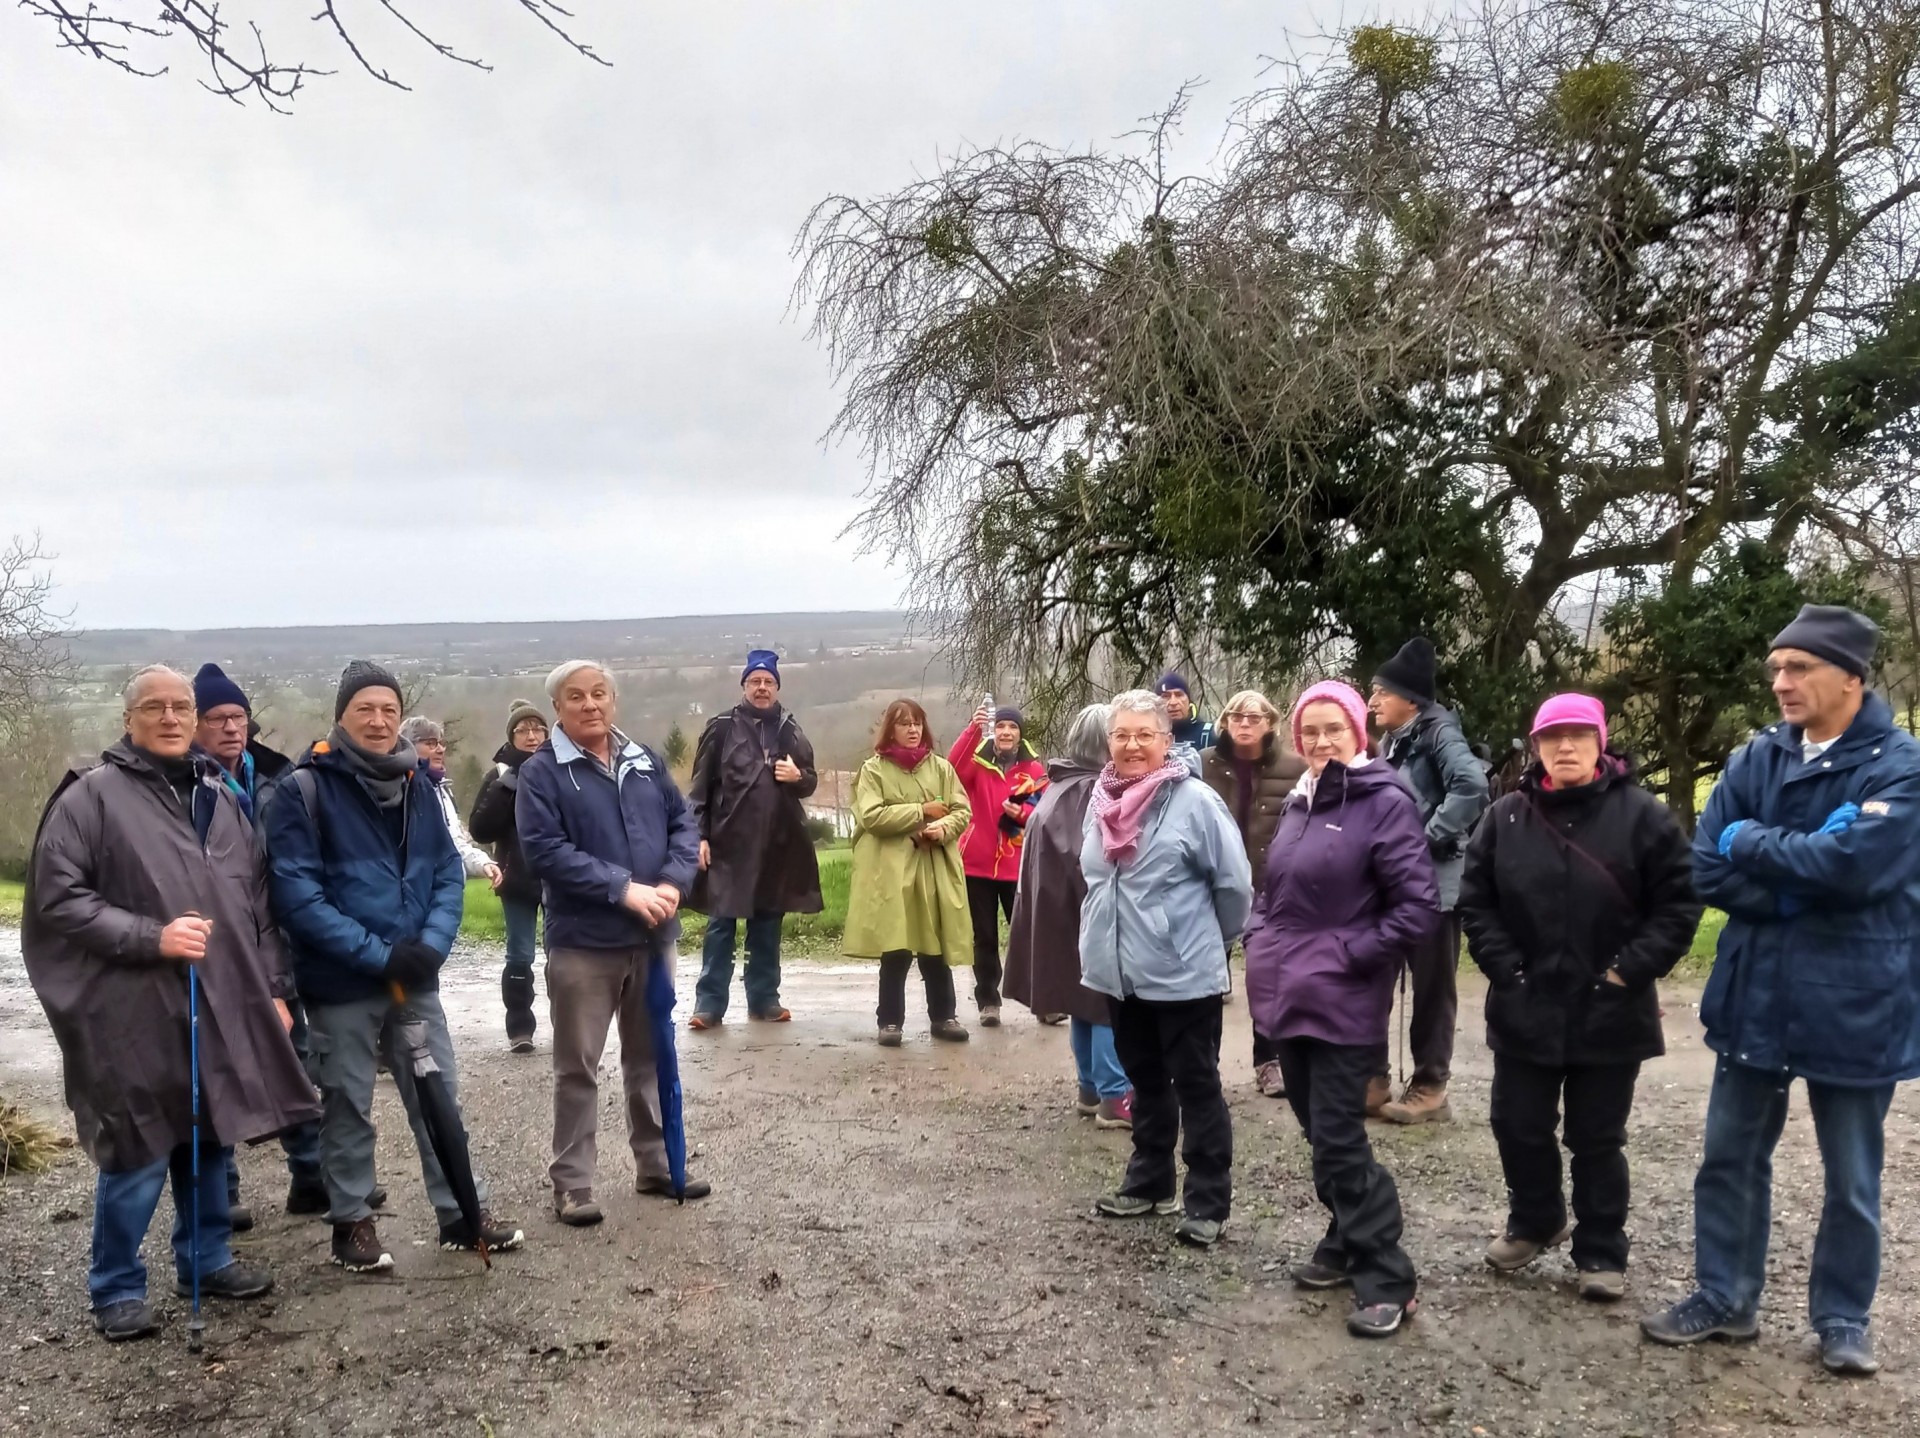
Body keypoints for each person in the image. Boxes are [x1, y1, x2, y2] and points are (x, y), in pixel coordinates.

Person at [1643, 606, 1920, 1378]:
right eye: (1776, 668)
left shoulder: (1901, 765)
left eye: (1798, 668)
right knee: (1728, 1158)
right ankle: (1724, 1298)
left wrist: (1754, 843)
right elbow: (1707, 865)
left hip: (1858, 995)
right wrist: (1799, 874)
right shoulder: (1757, 757)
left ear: (1850, 677)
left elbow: (1860, 868)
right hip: (1755, 991)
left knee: (1853, 1174)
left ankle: (1843, 1319)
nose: (1781, 682)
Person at [24, 665, 320, 1342]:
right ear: (128, 719)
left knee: (211, 1131)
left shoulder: (222, 795)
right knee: (138, 1143)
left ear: (194, 717)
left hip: (219, 998)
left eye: (179, 707)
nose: (168, 717)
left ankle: (207, 1259)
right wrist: (150, 937)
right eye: (153, 707)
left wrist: (274, 990)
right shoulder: (91, 797)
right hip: (130, 1003)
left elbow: (259, 908)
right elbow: (58, 898)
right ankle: (116, 1288)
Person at [265, 660, 523, 1272]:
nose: (379, 721)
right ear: (342, 716)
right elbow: (298, 896)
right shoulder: (303, 792)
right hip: (342, 983)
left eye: (389, 709)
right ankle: (351, 1223)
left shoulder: (420, 787)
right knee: (348, 1103)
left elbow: (445, 875)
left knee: (438, 1097)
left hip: (416, 977)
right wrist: (382, 956)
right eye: (365, 709)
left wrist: (430, 948)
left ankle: (462, 1213)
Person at [1459, 694, 1700, 1304]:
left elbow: (1677, 904)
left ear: (1601, 740)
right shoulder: (1505, 816)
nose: (1565, 747)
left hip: (1609, 1005)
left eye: (1578, 735)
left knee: (1597, 1136)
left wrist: (1628, 971)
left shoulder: (1642, 816)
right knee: (1517, 1123)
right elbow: (1477, 900)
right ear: (1535, 746)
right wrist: (1507, 969)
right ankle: (1536, 1219)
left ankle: (1600, 1248)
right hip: (1526, 999)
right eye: (1552, 736)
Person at [1245, 681, 1438, 1337]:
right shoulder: (1302, 803)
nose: (1322, 741)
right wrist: (1258, 933)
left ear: (1360, 733)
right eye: (1311, 731)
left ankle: (1387, 1274)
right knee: (1316, 1128)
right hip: (1288, 990)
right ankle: (1342, 1239)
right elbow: (1276, 891)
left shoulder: (1383, 803)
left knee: (1337, 1137)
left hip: (1343, 1000)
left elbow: (1415, 907)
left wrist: (1349, 955)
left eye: (1335, 728)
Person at [516, 660, 707, 1227]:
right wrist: (623, 890)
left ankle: (656, 1164)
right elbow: (545, 850)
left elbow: (684, 824)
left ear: (614, 700)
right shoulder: (542, 773)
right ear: (558, 708)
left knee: (649, 1056)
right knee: (578, 1066)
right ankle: (572, 1184)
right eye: (576, 697)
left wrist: (674, 880)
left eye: (600, 693)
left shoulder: (643, 759)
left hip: (653, 936)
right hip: (585, 942)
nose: (590, 704)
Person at [1080, 689, 1253, 1249]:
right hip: (1120, 971)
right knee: (1146, 1081)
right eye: (1121, 735)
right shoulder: (1098, 798)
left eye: (1144, 736)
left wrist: (1204, 943)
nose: (1132, 746)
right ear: (1109, 741)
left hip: (1182, 974)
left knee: (1197, 1085)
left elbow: (1235, 887)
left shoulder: (1195, 801)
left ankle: (1208, 1200)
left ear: (1167, 741)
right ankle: (1151, 1181)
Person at [190, 662, 327, 1230]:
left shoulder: (278, 779)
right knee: (215, 1068)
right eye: (217, 718)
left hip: (279, 937)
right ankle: (223, 1193)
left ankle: (312, 1177)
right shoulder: (182, 786)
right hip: (214, 944)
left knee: (296, 1057)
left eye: (238, 717)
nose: (230, 728)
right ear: (197, 725)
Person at [1366, 636, 1490, 1123]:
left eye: (1380, 692)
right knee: (1376, 978)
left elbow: (1472, 785)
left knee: (1432, 987)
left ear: (1410, 699)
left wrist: (1424, 838)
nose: (1372, 700)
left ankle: (1431, 1085)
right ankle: (1373, 1077)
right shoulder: (1394, 739)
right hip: (1393, 883)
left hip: (1435, 886)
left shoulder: (1440, 733)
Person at [1004, 704, 1132, 1125]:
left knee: (1081, 1001)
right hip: (1084, 912)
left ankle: (1091, 1088)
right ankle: (1115, 1095)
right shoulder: (1090, 793)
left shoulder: (1060, 786)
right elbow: (1093, 863)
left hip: (1057, 911)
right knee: (1103, 1000)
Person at [687, 649, 822, 1029]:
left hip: (776, 844)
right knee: (721, 926)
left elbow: (809, 781)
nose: (762, 688)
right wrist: (698, 836)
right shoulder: (722, 727)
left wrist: (798, 777)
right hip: (729, 845)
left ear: (777, 688)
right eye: (755, 682)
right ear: (744, 685)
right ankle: (709, 1005)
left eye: (769, 682)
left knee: (767, 924)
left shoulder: (791, 730)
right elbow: (699, 789)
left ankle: (764, 999)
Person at [844, 699, 974, 1046]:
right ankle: (889, 1023)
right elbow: (872, 816)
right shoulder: (873, 770)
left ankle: (944, 1016)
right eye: (904, 724)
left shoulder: (942, 769)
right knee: (896, 948)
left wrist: (940, 829)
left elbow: (961, 810)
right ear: (891, 729)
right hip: (892, 872)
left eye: (917, 723)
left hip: (933, 868)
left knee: (934, 946)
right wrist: (922, 811)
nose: (913, 730)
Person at [1201, 689, 1307, 1098]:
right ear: (1224, 723)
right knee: (1209, 977)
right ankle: (1203, 1060)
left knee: (1270, 979)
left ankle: (1270, 1061)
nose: (1245, 724)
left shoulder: (1295, 768)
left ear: (1270, 724)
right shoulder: (1204, 764)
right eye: (1237, 717)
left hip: (1272, 887)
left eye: (1255, 717)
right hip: (1214, 886)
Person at [948, 701, 1048, 1026]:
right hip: (977, 865)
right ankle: (988, 1001)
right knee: (985, 937)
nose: (1006, 732)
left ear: (1019, 734)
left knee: (1027, 935)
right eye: (1001, 726)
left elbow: (1046, 809)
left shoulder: (1033, 769)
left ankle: (1045, 1001)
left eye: (1012, 727)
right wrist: (971, 729)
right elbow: (952, 770)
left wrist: (1026, 815)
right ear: (995, 731)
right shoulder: (977, 762)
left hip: (1016, 865)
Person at [468, 699, 551, 1052]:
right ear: (512, 736)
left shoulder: (562, 767)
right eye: (523, 730)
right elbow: (480, 830)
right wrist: (506, 786)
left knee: (562, 955)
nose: (532, 736)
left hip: (559, 879)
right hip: (517, 878)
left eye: (538, 728)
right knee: (520, 956)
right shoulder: (500, 776)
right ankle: (520, 1028)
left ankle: (570, 1025)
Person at [399, 715, 503, 890]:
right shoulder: (399, 791)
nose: (440, 750)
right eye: (431, 743)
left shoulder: (443, 790)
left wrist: (482, 863)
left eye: (441, 743)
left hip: (447, 893)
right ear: (409, 746)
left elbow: (454, 844)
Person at [1156, 672, 1214, 752]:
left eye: (1179, 695)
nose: (1173, 702)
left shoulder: (1209, 735)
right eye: (1166, 696)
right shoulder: (1148, 737)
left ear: (1189, 701)